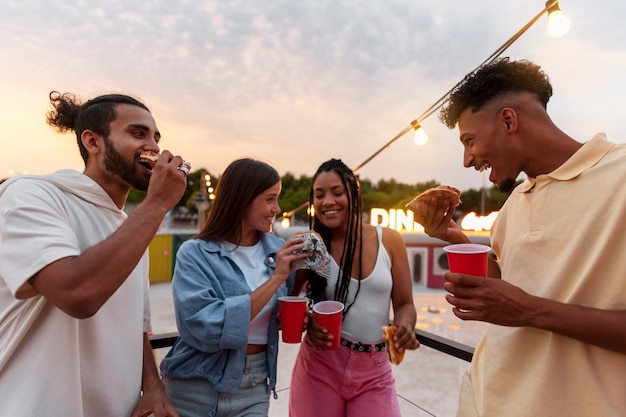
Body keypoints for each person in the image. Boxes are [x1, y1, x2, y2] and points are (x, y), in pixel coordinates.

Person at [421, 57, 626, 417]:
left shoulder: (619, 177)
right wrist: (455, 237)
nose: (467, 159)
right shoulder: (514, 203)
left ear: (508, 120)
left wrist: (531, 311)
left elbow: (523, 305)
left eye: (469, 140)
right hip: (484, 400)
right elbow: (512, 286)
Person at [0, 91, 185, 416]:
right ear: (92, 141)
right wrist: (157, 204)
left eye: (156, 138)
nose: (154, 148)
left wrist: (153, 388)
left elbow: (137, 326)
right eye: (137, 133)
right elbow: (77, 294)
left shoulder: (133, 226)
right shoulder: (31, 194)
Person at [159, 158, 311, 417]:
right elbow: (202, 326)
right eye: (270, 199)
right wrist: (275, 279)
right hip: (195, 385)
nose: (277, 208)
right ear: (243, 199)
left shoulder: (278, 251)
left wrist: (286, 319)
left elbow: (274, 312)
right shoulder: (195, 254)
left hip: (254, 386)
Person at [288, 158, 420, 417]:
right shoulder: (311, 246)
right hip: (320, 363)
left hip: (375, 370)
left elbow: (405, 304)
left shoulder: (389, 240)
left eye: (337, 192)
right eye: (319, 195)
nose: (328, 201)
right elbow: (288, 302)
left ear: (353, 192)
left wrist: (404, 327)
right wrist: (308, 318)